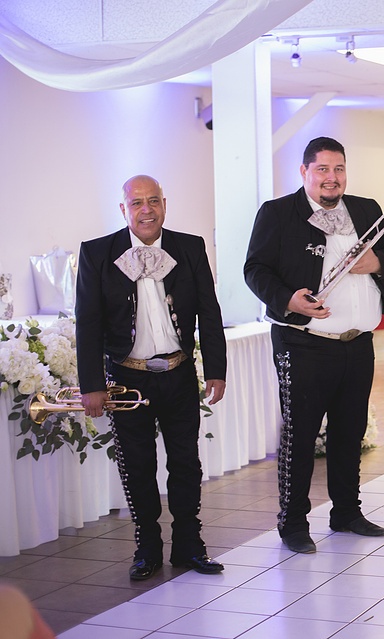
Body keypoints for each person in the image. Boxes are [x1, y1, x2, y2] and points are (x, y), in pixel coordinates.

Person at [244, 136, 384, 553]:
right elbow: (255, 269)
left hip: (358, 342)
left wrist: (376, 262)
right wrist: (288, 299)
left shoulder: (365, 209)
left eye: (339, 169)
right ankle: (293, 523)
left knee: (349, 432)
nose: (331, 178)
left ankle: (346, 512)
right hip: (304, 343)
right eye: (322, 169)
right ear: (304, 172)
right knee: (300, 436)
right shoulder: (278, 213)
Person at [76, 175, 227, 580]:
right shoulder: (96, 253)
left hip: (179, 373)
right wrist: (92, 385)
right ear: (123, 209)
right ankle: (147, 548)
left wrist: (216, 370)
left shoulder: (189, 247)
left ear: (164, 204)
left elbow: (210, 311)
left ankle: (190, 545)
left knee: (186, 463)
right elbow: (87, 322)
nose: (147, 210)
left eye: (154, 201)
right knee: (137, 465)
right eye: (137, 202)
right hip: (128, 378)